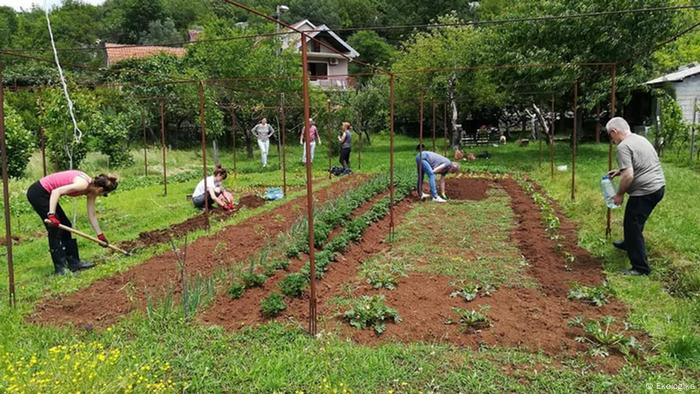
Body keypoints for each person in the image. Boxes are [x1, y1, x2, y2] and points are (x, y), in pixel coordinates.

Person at [26, 170, 118, 275]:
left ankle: (74, 263)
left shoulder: (92, 190)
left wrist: (100, 235)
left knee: (66, 225)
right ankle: (60, 269)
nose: (102, 196)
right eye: (104, 194)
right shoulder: (82, 184)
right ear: (100, 189)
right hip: (38, 192)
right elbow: (56, 192)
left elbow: (91, 214)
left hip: (49, 194)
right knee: (55, 228)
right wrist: (51, 215)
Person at [606, 117, 666, 276]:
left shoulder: (623, 147)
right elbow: (640, 163)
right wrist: (620, 171)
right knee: (634, 221)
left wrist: (619, 194)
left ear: (614, 132)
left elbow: (629, 176)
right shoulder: (639, 139)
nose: (612, 140)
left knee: (632, 225)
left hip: (645, 192)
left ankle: (640, 268)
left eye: (610, 136)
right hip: (658, 187)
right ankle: (629, 243)